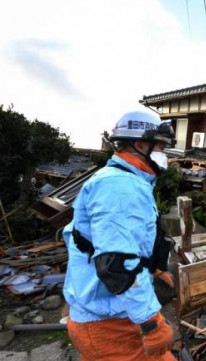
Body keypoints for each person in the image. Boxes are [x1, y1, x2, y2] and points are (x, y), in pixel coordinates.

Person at [63, 111, 177, 360]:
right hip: (107, 325)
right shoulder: (121, 187)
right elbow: (118, 264)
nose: (164, 154)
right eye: (161, 146)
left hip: (114, 314)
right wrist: (151, 324)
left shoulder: (123, 180)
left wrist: (156, 269)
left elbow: (100, 243)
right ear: (141, 145)